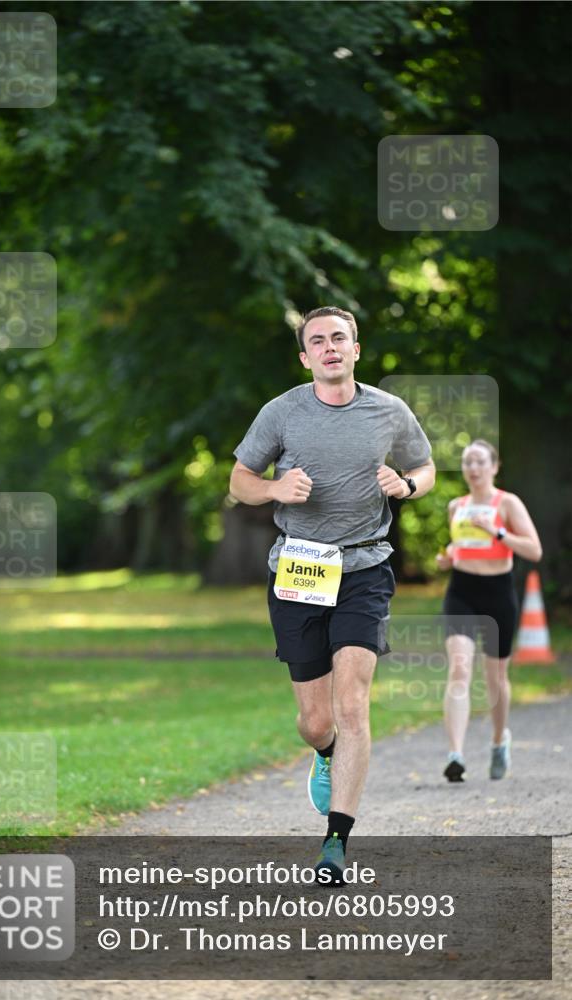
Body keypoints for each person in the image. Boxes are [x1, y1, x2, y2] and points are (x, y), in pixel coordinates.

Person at [229, 306, 435, 882]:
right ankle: (323, 755)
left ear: (356, 348)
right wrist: (275, 486)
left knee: (353, 705)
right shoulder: (283, 412)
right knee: (317, 721)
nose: (329, 347)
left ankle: (335, 844)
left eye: (338, 338)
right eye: (317, 341)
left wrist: (408, 484)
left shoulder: (388, 410)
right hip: (301, 568)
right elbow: (239, 482)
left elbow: (426, 466)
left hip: (366, 567)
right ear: (305, 356)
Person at [436, 439, 543, 783]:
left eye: (481, 461)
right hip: (461, 592)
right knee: (459, 667)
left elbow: (534, 549)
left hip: (498, 593)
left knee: (495, 678)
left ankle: (499, 741)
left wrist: (497, 531)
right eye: (468, 462)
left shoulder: (506, 503)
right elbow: (460, 545)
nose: (473, 468)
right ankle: (456, 754)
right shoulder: (457, 506)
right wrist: (447, 557)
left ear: (494, 467)